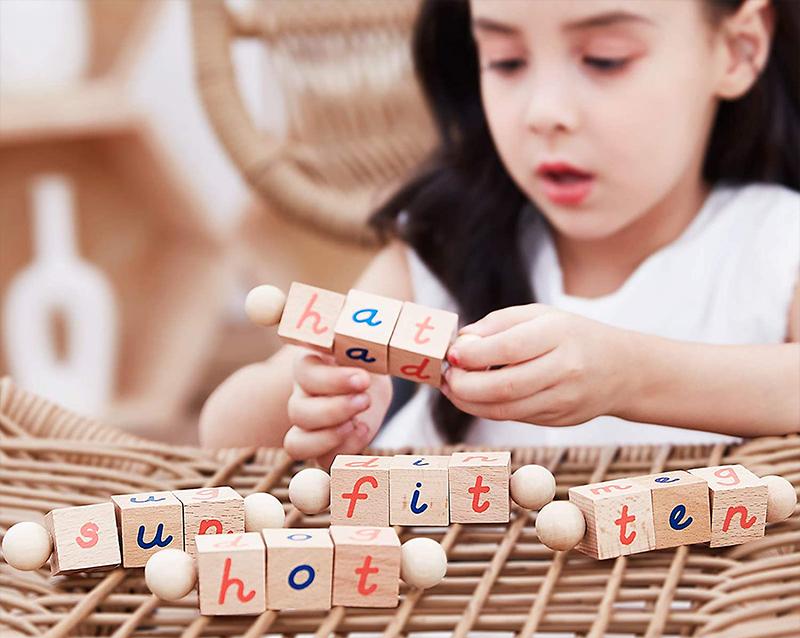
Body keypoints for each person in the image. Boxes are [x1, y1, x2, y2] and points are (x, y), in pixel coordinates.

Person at [200, 0, 799, 467]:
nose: (544, 113)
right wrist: (316, 403)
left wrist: (630, 375)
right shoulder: (446, 238)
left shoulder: (776, 243)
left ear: (738, 49)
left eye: (605, 59)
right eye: (507, 61)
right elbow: (223, 436)